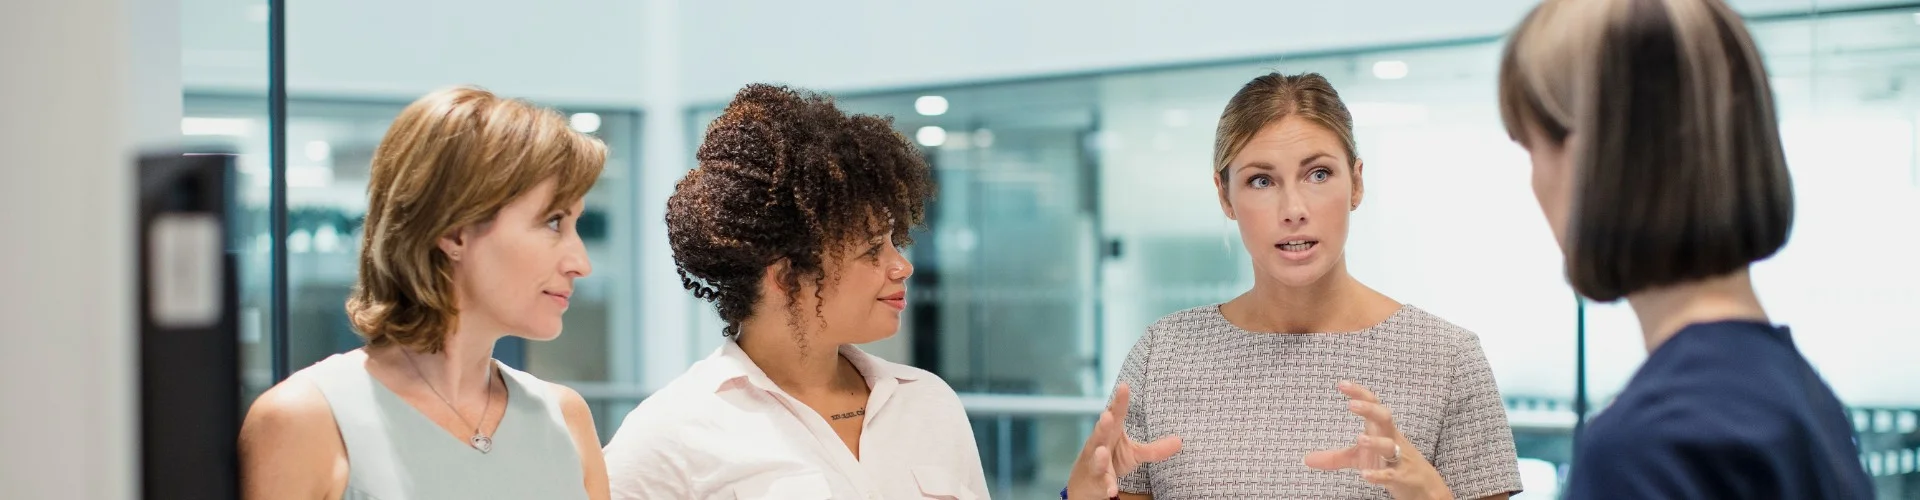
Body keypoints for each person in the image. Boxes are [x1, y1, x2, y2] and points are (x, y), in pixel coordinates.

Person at [1063, 73, 1524, 500]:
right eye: (1261, 181)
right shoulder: (1162, 356)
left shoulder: (1448, 361)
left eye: (1318, 174)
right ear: (1225, 196)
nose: (1293, 210)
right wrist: (1082, 494)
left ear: (1356, 183)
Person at [1498, 0, 1876, 497]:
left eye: (1533, 149)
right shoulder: (1800, 398)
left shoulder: (1648, 445)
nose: (1533, 183)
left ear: (1594, 159)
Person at [601, 84, 989, 499]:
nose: (903, 266)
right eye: (872, 250)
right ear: (786, 276)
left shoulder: (929, 403)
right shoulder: (670, 436)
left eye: (895, 242)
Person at [237, 87, 611, 500]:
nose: (581, 263)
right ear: (454, 231)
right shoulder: (303, 421)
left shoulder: (565, 420)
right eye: (554, 222)